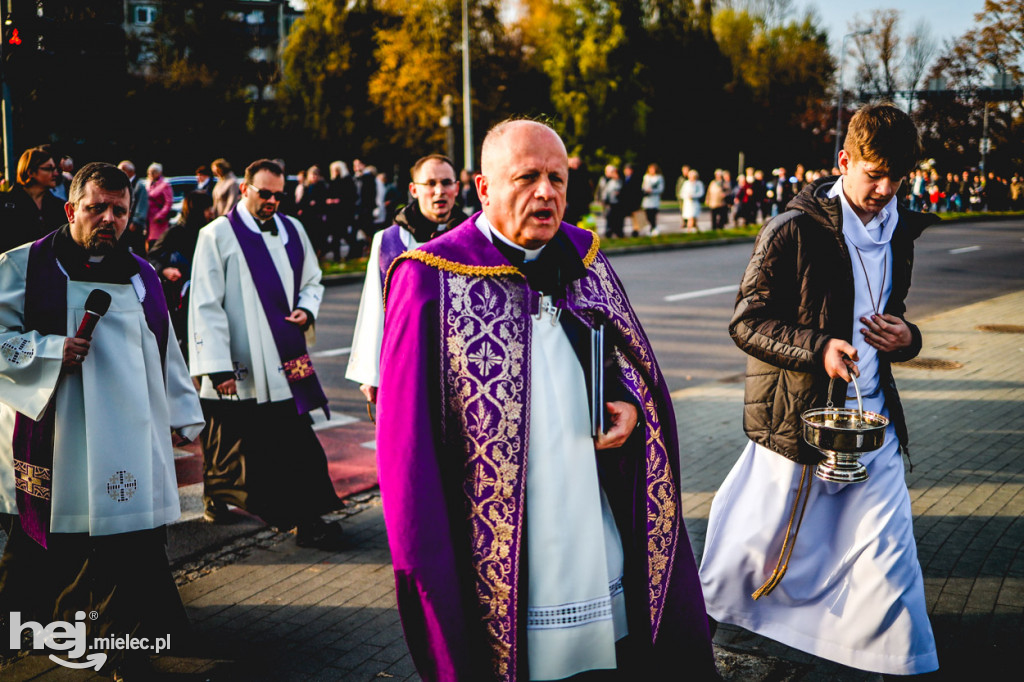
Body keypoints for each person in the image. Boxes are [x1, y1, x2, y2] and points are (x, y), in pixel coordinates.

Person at [377, 120, 716, 680]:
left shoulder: (582, 255)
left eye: (557, 178)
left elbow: (629, 361)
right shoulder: (428, 279)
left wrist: (627, 400)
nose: (546, 193)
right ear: (483, 188)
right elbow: (404, 439)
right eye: (527, 177)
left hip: (592, 503)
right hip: (500, 538)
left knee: (615, 653)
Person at [698, 103, 940, 676]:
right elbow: (746, 321)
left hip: (871, 425)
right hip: (799, 420)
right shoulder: (791, 229)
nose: (884, 189)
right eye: (873, 174)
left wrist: (907, 338)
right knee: (754, 554)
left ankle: (900, 658)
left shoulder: (900, 231)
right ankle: (703, 626)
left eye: (896, 178)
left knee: (890, 554)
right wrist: (818, 348)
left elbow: (893, 316)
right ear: (844, 161)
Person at [0, 162, 204, 677]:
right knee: (41, 546)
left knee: (127, 545)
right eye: (95, 209)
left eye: (118, 210)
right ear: (71, 210)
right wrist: (48, 352)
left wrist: (183, 414)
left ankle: (122, 649)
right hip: (56, 436)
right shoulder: (23, 267)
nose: (107, 219)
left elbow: (166, 348)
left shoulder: (142, 275)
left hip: (128, 438)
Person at [187, 159, 344, 548]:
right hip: (241, 363)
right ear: (244, 189)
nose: (273, 201)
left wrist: (307, 308)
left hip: (285, 362)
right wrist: (217, 366)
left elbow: (313, 279)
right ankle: (219, 496)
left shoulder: (293, 229)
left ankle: (305, 518)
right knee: (235, 447)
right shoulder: (217, 235)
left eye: (279, 195)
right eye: (265, 193)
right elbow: (206, 304)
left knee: (293, 444)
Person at [346, 153, 460, 406]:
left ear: (457, 187)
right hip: (408, 363)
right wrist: (371, 374)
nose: (439, 191)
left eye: (446, 183)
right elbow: (375, 308)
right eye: (430, 184)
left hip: (463, 367)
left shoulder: (474, 237)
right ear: (414, 189)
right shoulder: (389, 241)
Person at [148, 190, 215, 359]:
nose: (211, 213)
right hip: (182, 296)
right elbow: (152, 256)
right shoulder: (176, 232)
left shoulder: (211, 231)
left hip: (207, 290)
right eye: (208, 209)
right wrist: (164, 269)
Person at [0, 147, 68, 254]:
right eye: (49, 169)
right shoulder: (6, 204)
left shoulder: (58, 206)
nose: (55, 173)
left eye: (55, 169)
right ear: (30, 172)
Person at [117, 160, 150, 254]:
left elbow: (142, 204)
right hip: (124, 222)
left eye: (122, 170)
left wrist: (136, 221)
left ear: (130, 171)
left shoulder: (139, 185)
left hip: (134, 225)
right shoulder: (123, 184)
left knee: (137, 250)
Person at [146, 162, 174, 249]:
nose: (151, 174)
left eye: (153, 171)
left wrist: (160, 215)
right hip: (148, 220)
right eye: (149, 172)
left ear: (159, 172)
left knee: (157, 244)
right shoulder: (148, 184)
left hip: (158, 221)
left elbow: (168, 202)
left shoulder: (164, 185)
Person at [564, 155, 593, 226]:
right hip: (572, 201)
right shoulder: (567, 173)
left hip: (579, 202)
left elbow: (588, 188)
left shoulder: (583, 174)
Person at [641, 163, 665, 235]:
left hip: (654, 198)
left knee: (653, 214)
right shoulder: (646, 177)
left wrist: (653, 191)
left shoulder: (659, 178)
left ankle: (653, 228)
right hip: (647, 199)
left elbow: (661, 189)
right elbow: (643, 187)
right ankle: (652, 227)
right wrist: (646, 190)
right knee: (647, 214)